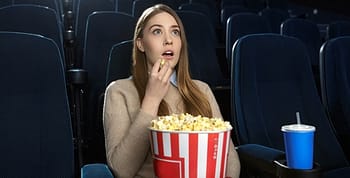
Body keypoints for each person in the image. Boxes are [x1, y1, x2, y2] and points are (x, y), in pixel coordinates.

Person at [103, 4, 240, 178]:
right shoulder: (119, 91)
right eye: (157, 31)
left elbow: (228, 159)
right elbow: (121, 170)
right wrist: (151, 100)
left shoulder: (202, 89)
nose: (169, 40)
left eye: (175, 32)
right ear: (140, 44)